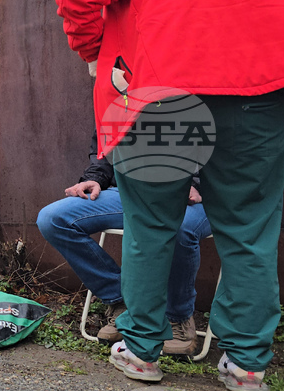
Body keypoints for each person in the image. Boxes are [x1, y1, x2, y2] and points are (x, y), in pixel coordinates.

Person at [57, 0, 284, 391]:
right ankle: (248, 365)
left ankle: (142, 350)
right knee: (250, 233)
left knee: (150, 226)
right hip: (259, 97)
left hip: (162, 100)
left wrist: (95, 54)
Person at [37, 134, 211, 355]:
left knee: (179, 228)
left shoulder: (200, 100)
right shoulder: (120, 100)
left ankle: (176, 319)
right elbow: (104, 145)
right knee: (53, 219)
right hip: (133, 192)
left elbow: (223, 144)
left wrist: (194, 182)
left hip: (195, 196)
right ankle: (122, 302)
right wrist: (96, 178)